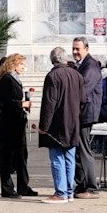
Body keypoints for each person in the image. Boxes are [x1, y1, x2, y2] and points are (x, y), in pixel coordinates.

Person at [37, 46, 82, 204]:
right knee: (69, 157)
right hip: (73, 121)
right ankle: (68, 191)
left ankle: (61, 192)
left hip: (57, 123)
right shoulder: (76, 75)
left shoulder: (53, 76)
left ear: (52, 60)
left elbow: (50, 103)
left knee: (57, 158)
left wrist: (44, 126)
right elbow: (83, 99)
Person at [0, 54, 36, 198]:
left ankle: (23, 186)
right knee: (7, 156)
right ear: (14, 64)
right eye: (22, 64)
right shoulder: (7, 79)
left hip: (17, 122)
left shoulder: (15, 79)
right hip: (8, 124)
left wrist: (24, 105)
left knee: (21, 155)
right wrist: (20, 104)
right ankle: (7, 188)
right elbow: (4, 102)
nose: (24, 67)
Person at [72, 37, 103, 198]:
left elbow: (84, 89)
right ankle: (82, 184)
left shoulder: (90, 65)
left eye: (78, 49)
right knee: (79, 150)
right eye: (74, 49)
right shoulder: (81, 65)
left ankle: (91, 187)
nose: (75, 52)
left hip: (86, 112)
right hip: (81, 112)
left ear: (87, 49)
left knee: (84, 150)